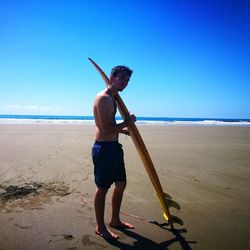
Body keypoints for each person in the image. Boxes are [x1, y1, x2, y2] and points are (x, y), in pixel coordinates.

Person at [92, 65, 136, 240]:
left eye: (127, 80)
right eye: (122, 79)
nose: (125, 83)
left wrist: (123, 130)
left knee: (121, 184)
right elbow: (104, 128)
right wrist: (127, 123)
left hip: (114, 147)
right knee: (102, 188)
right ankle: (100, 227)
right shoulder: (103, 99)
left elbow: (110, 125)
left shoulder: (114, 98)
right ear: (112, 77)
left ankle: (115, 220)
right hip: (104, 149)